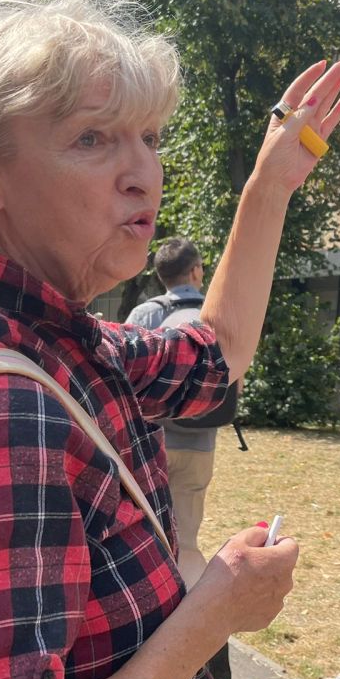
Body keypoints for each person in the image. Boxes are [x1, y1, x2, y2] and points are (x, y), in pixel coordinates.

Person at [0, 0, 340, 679]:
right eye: (93, 138)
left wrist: (269, 184)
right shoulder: (5, 411)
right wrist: (212, 615)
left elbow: (218, 355)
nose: (145, 170)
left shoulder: (48, 348)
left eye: (149, 136)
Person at [126, 237, 221, 586]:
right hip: (199, 441)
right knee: (188, 544)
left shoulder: (145, 314)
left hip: (149, 440)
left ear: (159, 274)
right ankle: (198, 629)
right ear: (196, 270)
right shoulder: (215, 314)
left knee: (144, 535)